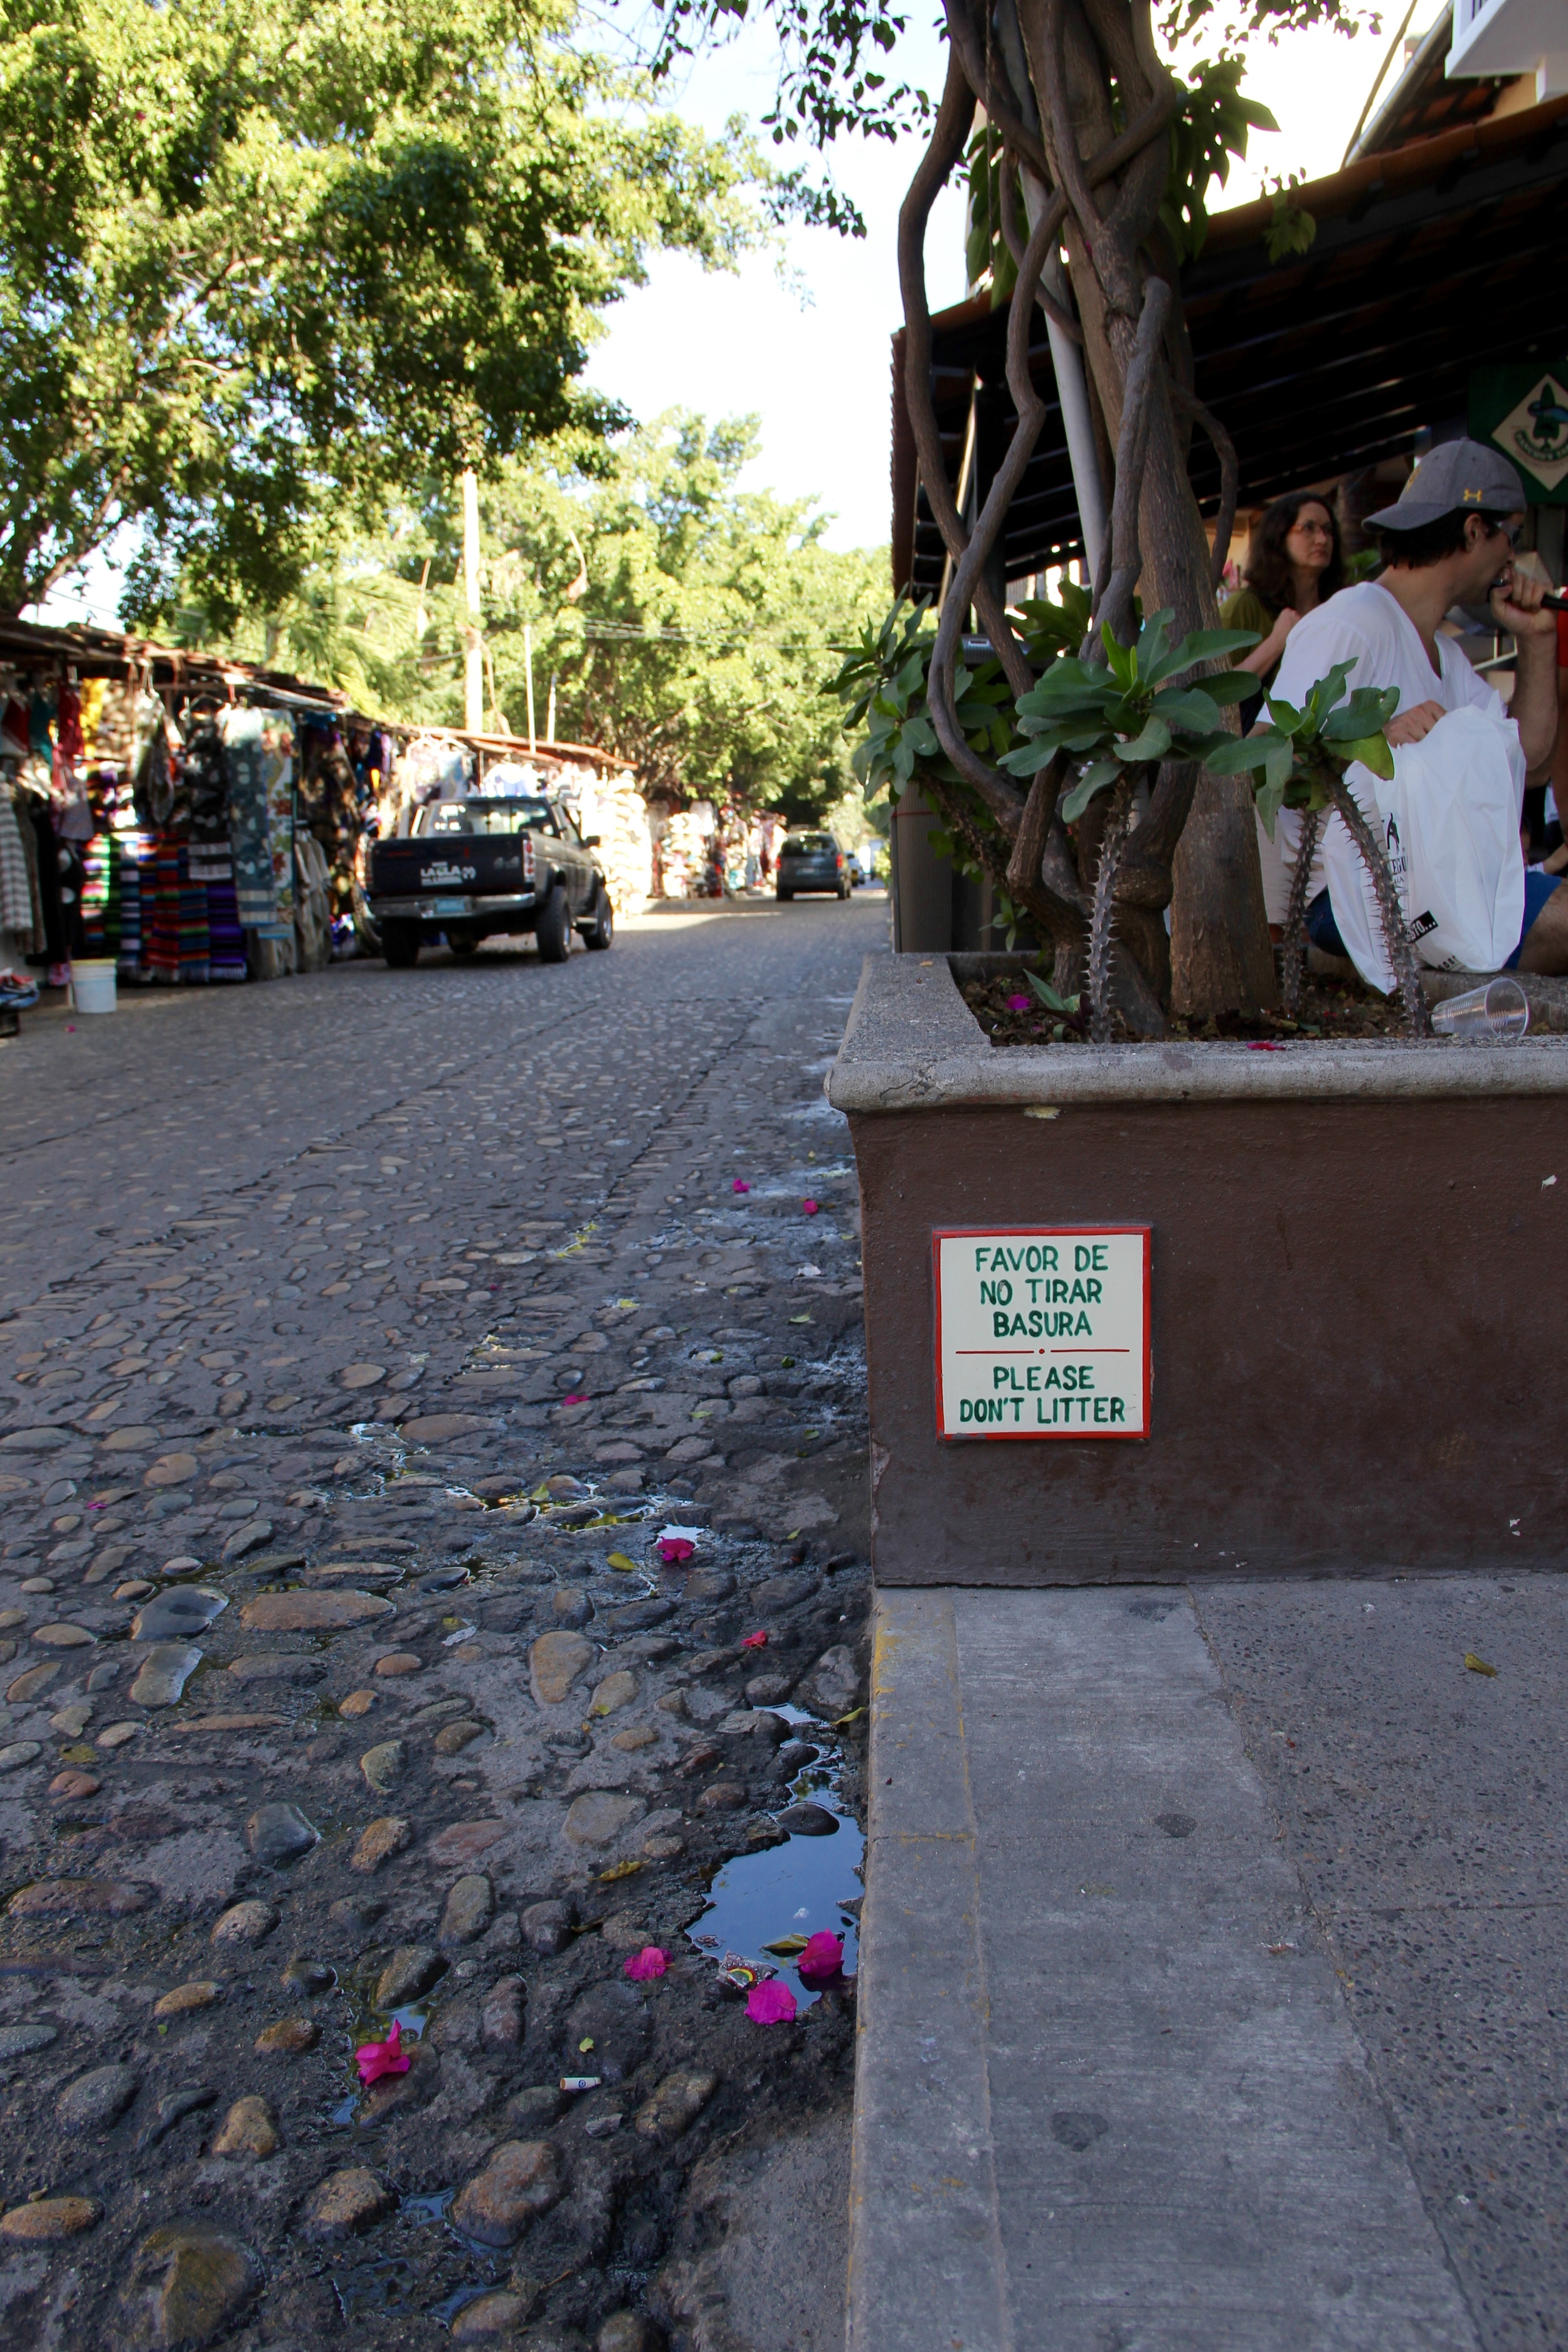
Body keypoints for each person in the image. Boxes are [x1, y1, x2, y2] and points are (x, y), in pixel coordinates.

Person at [1269, 438, 1564, 975]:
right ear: (1475, 530)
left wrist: (1539, 640)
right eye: (1512, 536)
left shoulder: (1446, 658)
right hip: (1349, 896)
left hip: (1433, 885)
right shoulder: (1351, 622)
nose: (1512, 559)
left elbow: (1530, 760)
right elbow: (1260, 760)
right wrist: (1372, 741)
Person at [1222, 492, 1345, 711]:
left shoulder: (1340, 609)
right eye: (1308, 528)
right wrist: (1276, 642)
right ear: (1279, 537)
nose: (1322, 539)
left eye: (1328, 530)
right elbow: (1215, 692)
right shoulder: (1246, 606)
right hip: (1259, 743)